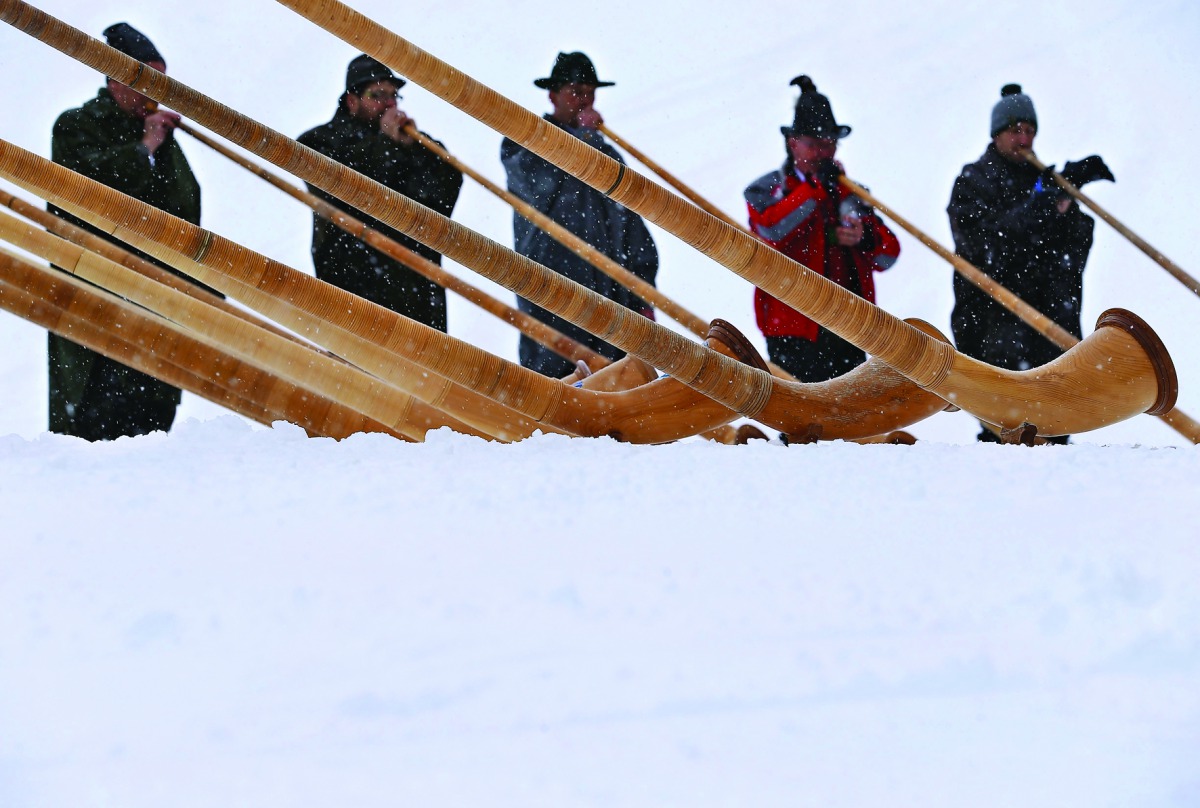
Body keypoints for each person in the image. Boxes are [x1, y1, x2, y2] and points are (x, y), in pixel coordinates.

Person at [48, 22, 202, 441]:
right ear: (115, 79)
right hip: (96, 303)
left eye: (161, 83)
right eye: (145, 82)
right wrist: (145, 149)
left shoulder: (158, 134)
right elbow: (93, 192)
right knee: (95, 428)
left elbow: (186, 210)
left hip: (157, 310)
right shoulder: (77, 125)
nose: (154, 95)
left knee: (152, 427)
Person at [948, 83, 1113, 442]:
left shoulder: (1046, 182)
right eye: (1015, 131)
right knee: (1005, 430)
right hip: (995, 325)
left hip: (1052, 323)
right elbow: (984, 248)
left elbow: (1074, 250)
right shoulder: (973, 181)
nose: (1024, 140)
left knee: (1054, 430)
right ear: (997, 135)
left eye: (1030, 131)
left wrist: (1067, 207)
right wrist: (1040, 210)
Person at [501, 51, 659, 378]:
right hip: (552, 293)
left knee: (618, 393)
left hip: (611, 300)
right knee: (558, 389)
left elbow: (634, 230)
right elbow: (542, 182)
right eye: (576, 91)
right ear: (552, 94)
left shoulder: (607, 154)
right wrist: (586, 138)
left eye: (590, 92)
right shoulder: (527, 143)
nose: (585, 101)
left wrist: (642, 295)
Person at [744, 76, 900, 383]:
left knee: (852, 421)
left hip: (849, 326)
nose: (823, 153)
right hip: (792, 326)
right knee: (798, 419)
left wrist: (864, 237)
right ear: (793, 144)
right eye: (814, 144)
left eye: (829, 144)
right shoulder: (767, 189)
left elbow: (889, 255)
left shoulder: (853, 193)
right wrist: (815, 191)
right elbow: (771, 230)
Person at [298, 55, 462, 331]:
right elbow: (345, 189)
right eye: (377, 95)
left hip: (418, 299)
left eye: (394, 96)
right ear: (352, 101)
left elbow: (445, 190)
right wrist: (385, 145)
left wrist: (414, 150)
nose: (389, 104)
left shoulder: (417, 145)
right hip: (356, 293)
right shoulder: (320, 143)